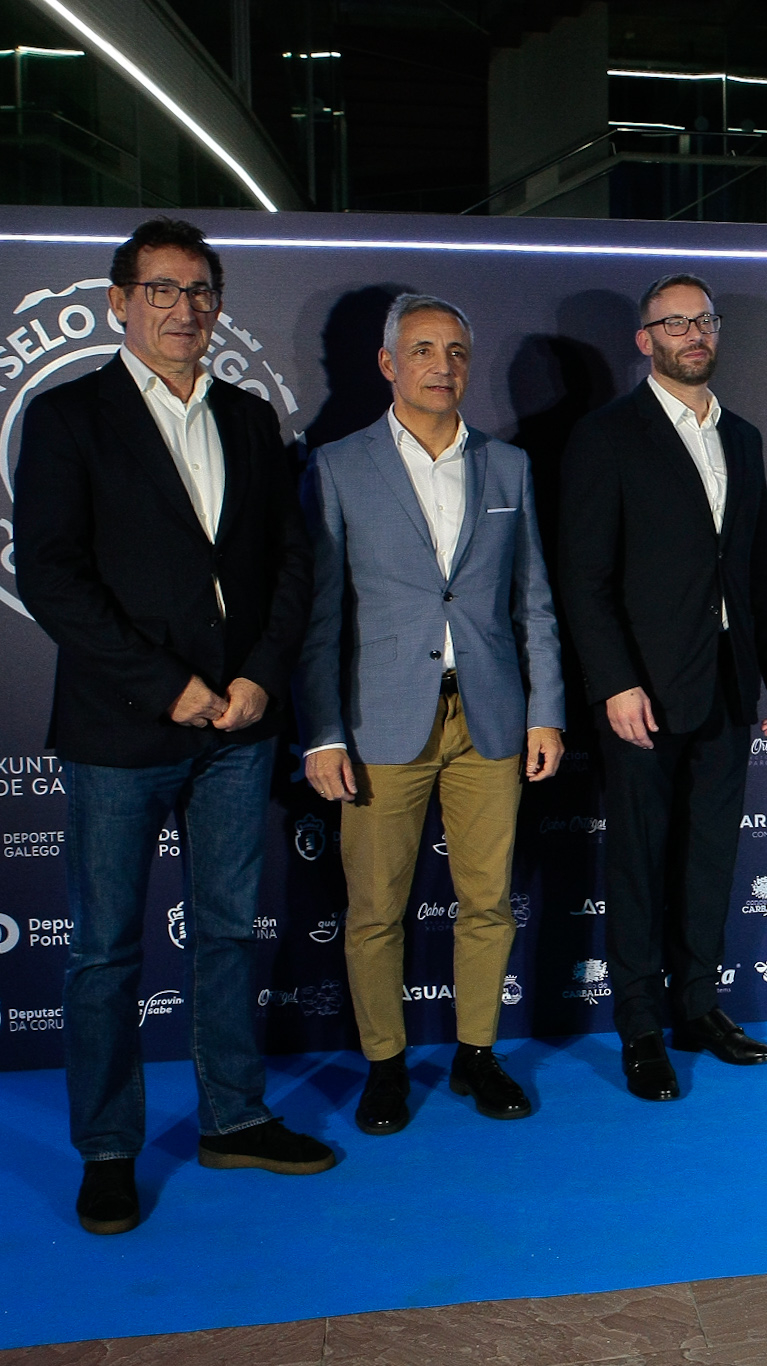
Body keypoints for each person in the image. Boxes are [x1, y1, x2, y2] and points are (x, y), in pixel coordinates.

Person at [14, 218, 335, 1235]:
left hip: (240, 726)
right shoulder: (68, 417)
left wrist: (257, 678)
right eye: (160, 289)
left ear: (217, 305)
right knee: (105, 953)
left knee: (228, 934)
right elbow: (51, 576)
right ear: (120, 302)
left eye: (198, 291)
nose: (182, 308)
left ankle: (234, 1118)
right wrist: (170, 686)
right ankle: (108, 1149)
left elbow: (291, 562)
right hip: (121, 728)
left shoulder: (247, 416)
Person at [300, 294, 566, 1134]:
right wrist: (323, 730)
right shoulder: (338, 466)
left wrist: (547, 713)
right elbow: (319, 616)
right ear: (388, 364)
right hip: (379, 720)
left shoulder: (508, 466)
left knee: (488, 900)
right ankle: (384, 1064)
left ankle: (475, 1054)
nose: (441, 366)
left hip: (491, 716)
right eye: (421, 349)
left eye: (455, 351)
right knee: (375, 909)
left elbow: (534, 602)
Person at [556, 272, 767, 1101]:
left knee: (709, 858)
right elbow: (583, 577)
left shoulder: (744, 437)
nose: (695, 334)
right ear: (645, 340)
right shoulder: (606, 436)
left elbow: (759, 563)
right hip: (644, 697)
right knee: (638, 863)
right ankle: (639, 1029)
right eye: (675, 323)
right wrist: (615, 683)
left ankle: (698, 1007)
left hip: (730, 684)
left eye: (705, 321)